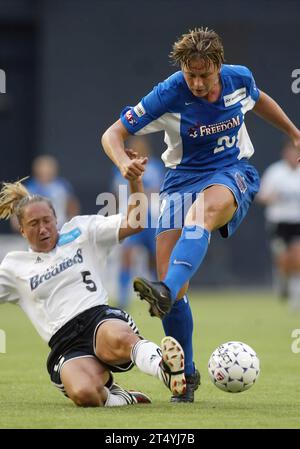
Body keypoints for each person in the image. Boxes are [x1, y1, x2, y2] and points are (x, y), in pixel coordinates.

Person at [101, 27, 300, 403]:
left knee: (202, 213)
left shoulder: (239, 78)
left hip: (232, 173)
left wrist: (293, 132)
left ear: (218, 67)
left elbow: (258, 100)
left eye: (203, 75)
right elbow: (112, 134)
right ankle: (187, 376)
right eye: (189, 74)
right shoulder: (168, 92)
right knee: (172, 285)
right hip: (179, 181)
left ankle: (166, 290)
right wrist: (122, 161)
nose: (195, 82)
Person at [0, 169, 186, 407]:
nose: (43, 229)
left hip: (98, 319)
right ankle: (120, 397)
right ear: (22, 229)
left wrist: (134, 181)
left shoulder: (82, 230)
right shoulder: (13, 266)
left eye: (47, 220)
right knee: (84, 394)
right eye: (34, 224)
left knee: (119, 337)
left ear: (56, 218)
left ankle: (165, 369)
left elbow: (135, 222)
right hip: (65, 343)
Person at [111, 135, 164, 309]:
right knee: (127, 256)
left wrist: (139, 188)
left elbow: (158, 189)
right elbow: (117, 192)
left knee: (154, 259)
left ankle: (160, 295)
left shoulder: (155, 167)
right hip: (131, 216)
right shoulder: (121, 167)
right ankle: (123, 298)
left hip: (151, 217)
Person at [257, 140, 300, 311]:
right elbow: (261, 196)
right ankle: (283, 282)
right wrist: (271, 198)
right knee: (283, 260)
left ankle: (295, 297)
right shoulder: (275, 172)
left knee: (297, 258)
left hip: (297, 221)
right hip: (279, 222)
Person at [25, 155, 80, 229]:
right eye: (43, 168)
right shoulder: (30, 188)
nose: (45, 171)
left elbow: (72, 205)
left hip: (60, 227)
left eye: (48, 168)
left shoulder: (62, 186)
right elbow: (21, 208)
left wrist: (72, 222)